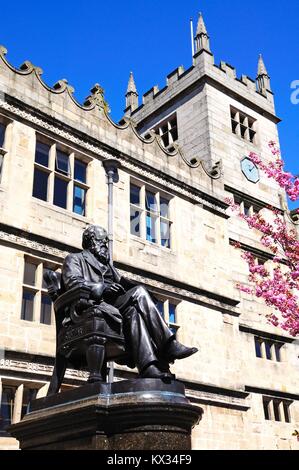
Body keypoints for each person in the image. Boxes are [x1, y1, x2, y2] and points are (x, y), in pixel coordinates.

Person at [62, 225, 198, 379]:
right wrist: (102, 288)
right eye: (103, 241)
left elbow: (121, 283)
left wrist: (125, 286)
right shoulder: (74, 259)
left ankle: (148, 367)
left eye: (107, 241)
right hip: (91, 307)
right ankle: (168, 345)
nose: (106, 245)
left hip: (114, 306)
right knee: (139, 293)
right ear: (92, 241)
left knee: (135, 311)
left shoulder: (108, 266)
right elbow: (73, 283)